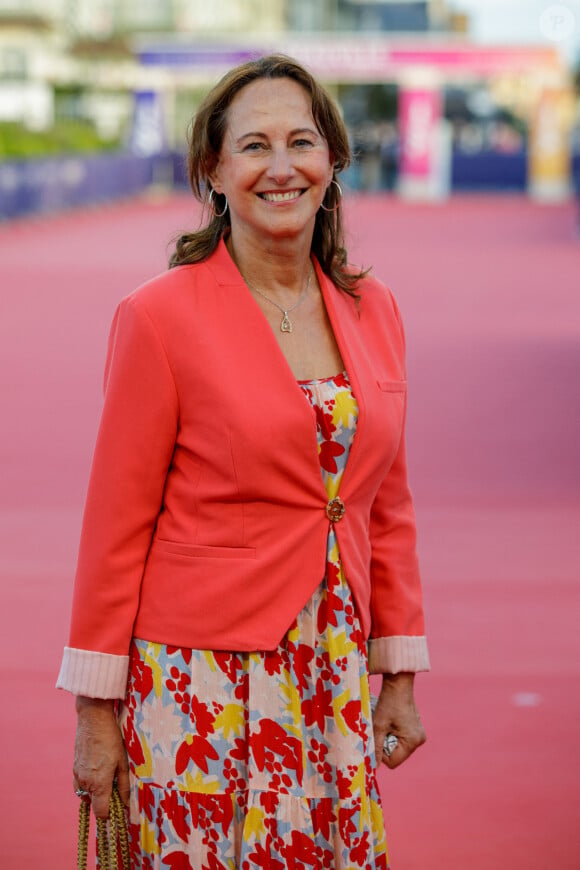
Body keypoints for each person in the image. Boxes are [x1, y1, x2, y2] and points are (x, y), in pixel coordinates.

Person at [57, 54, 430, 868]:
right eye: (253, 146)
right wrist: (96, 713)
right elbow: (117, 525)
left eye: (302, 141)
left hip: (330, 668)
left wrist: (396, 668)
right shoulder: (158, 318)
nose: (281, 166)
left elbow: (382, 501)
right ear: (214, 170)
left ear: (332, 162)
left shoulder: (374, 309)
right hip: (201, 684)